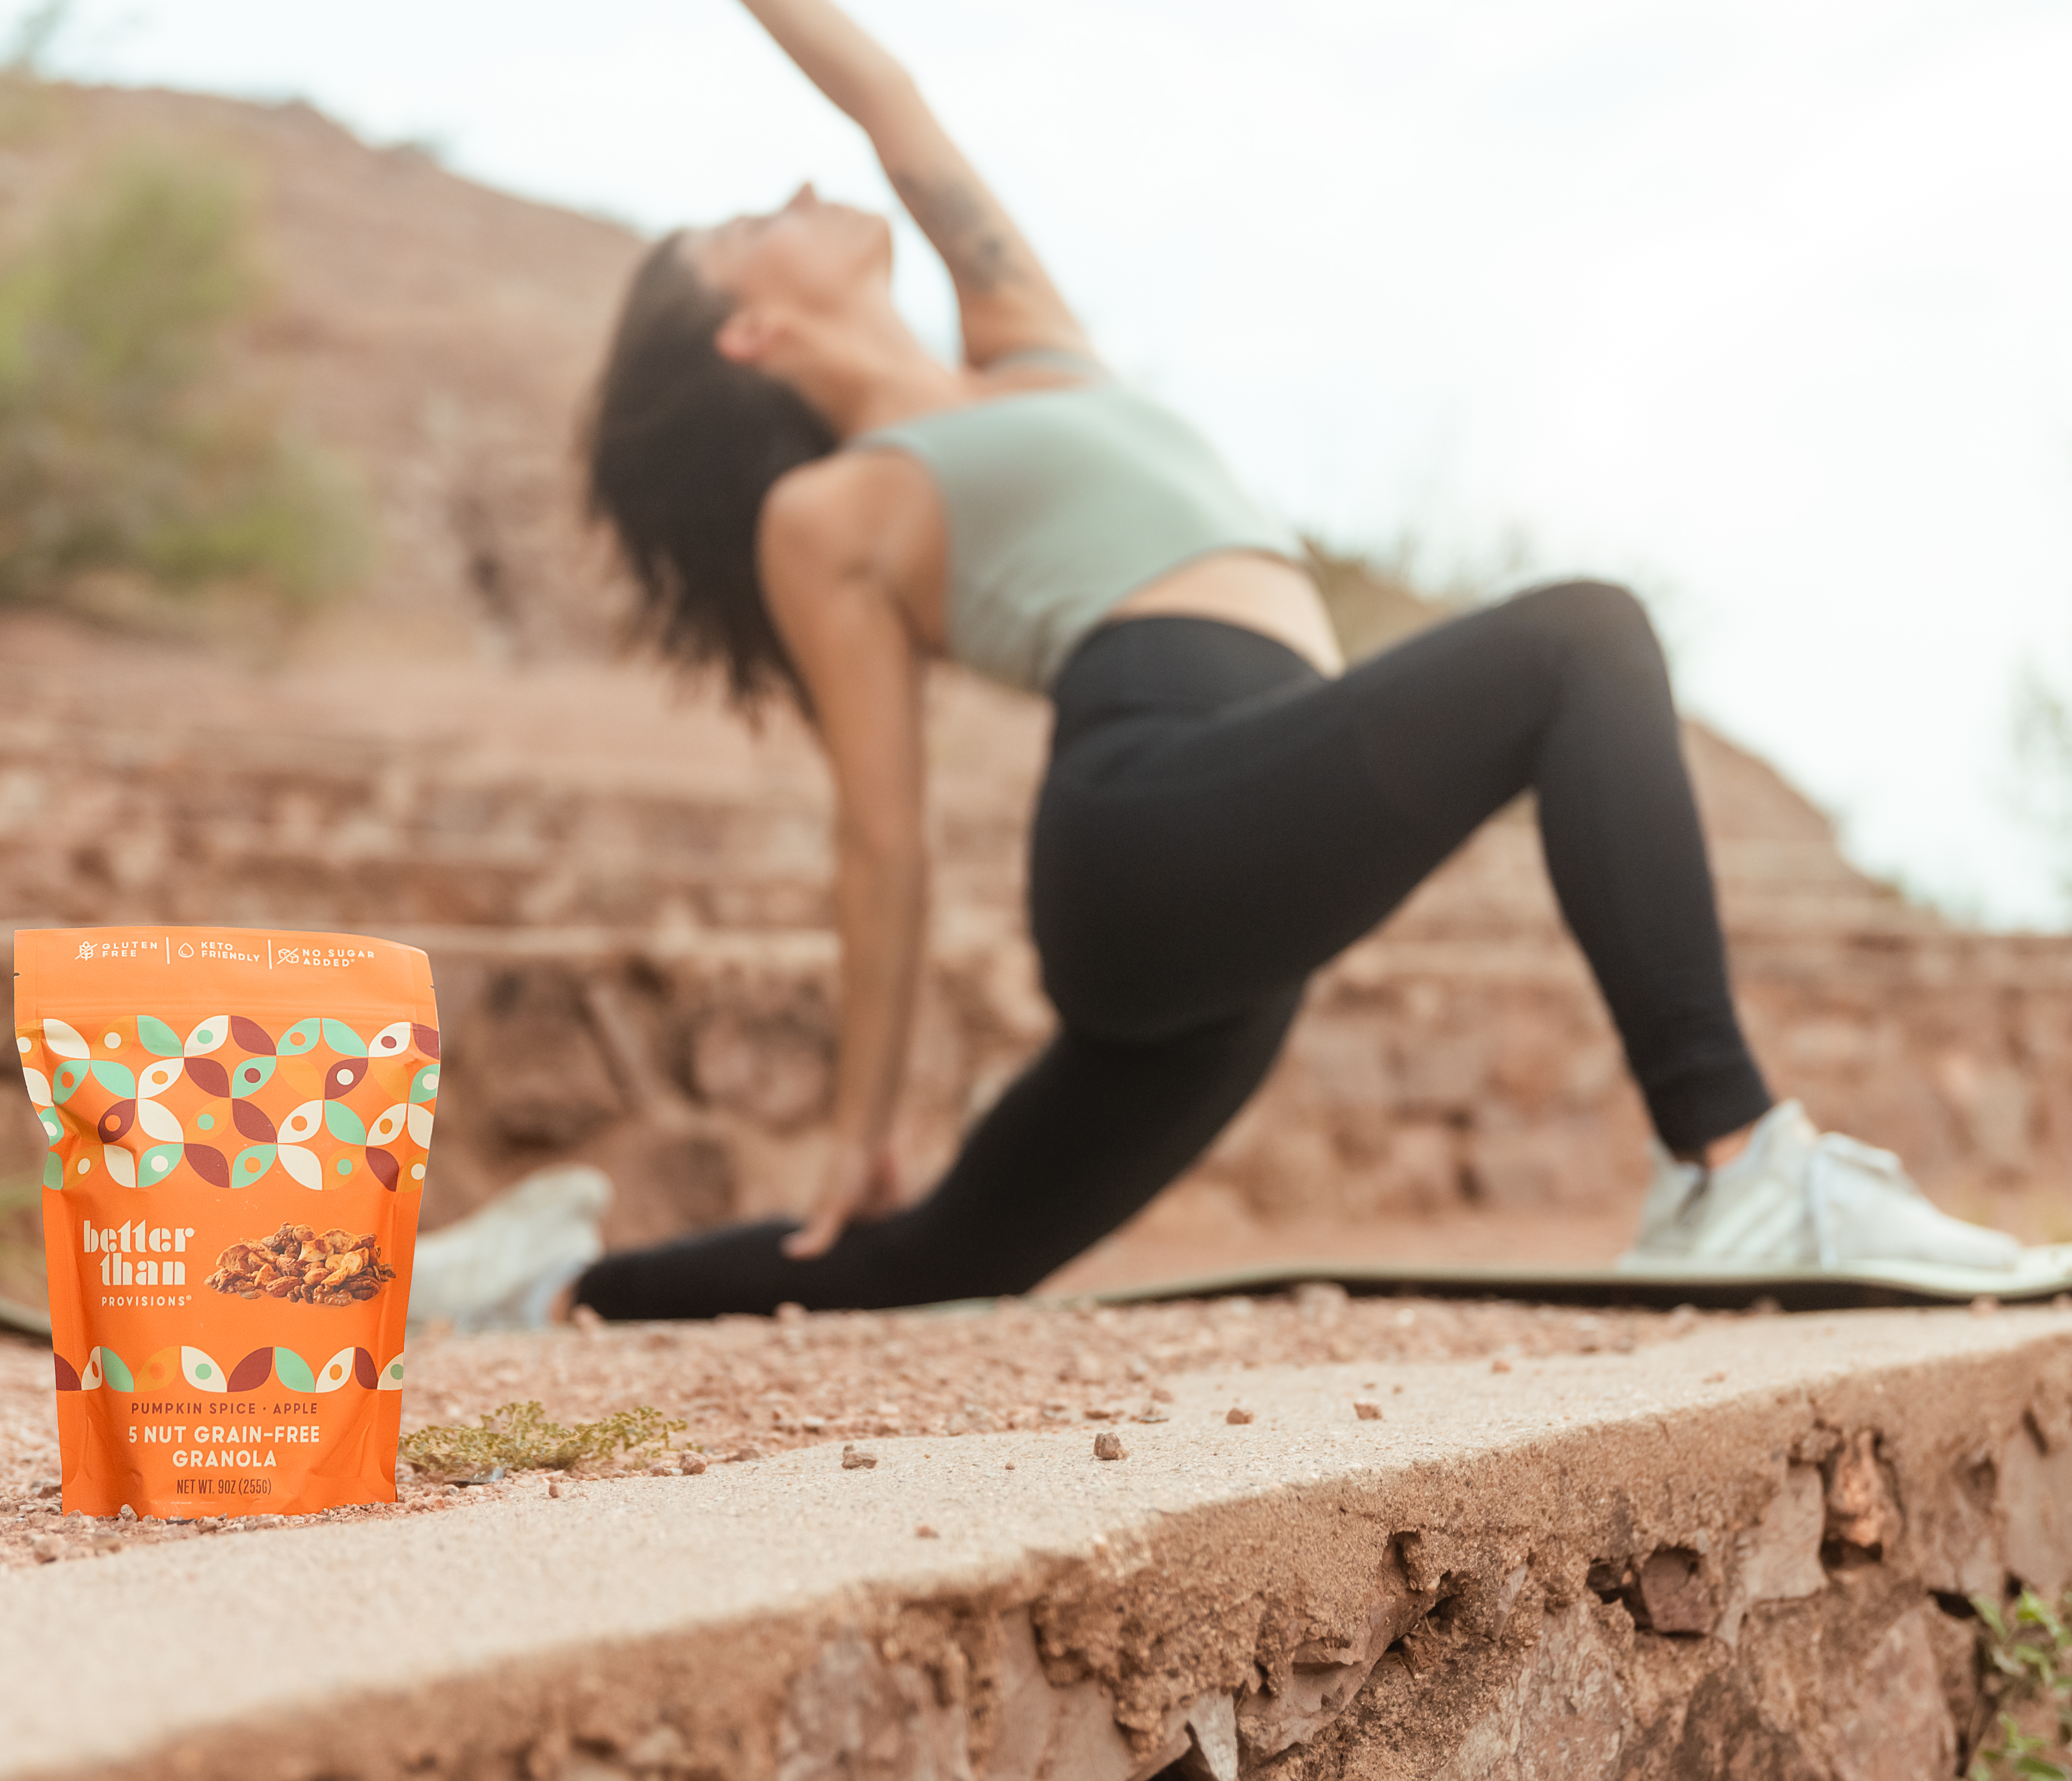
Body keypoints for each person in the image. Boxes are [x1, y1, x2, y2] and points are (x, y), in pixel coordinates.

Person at [409, 0, 2058, 1333]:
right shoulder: (827, 511)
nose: (792, 195)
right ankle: (1729, 1158)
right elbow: (882, 835)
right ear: (747, 335)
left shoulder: (1032, 346)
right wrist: (858, 1118)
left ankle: (539, 1288)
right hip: (1146, 825)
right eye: (743, 224)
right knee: (1580, 642)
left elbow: (887, 102)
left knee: (938, 1264)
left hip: (1235, 875)